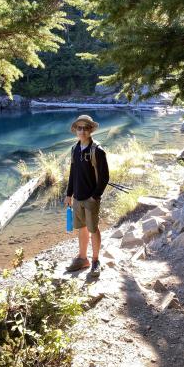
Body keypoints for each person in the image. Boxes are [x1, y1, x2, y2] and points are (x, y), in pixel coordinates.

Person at [64, 114, 109, 277]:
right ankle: (83, 258)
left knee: (93, 228)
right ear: (75, 130)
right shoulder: (74, 149)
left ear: (90, 130)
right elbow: (72, 173)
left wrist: (95, 197)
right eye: (79, 128)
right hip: (77, 198)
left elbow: (104, 178)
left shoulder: (97, 150)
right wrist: (69, 194)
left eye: (85, 128)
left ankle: (96, 260)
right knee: (81, 228)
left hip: (91, 198)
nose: (82, 131)